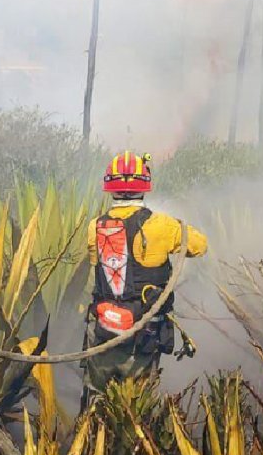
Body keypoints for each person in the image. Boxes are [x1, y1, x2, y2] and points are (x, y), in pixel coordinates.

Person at [81, 151, 208, 405]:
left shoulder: (96, 226)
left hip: (103, 330)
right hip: (142, 334)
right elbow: (199, 246)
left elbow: (98, 265)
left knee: (95, 400)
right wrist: (175, 226)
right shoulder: (162, 225)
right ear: (145, 185)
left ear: (110, 187)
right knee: (137, 406)